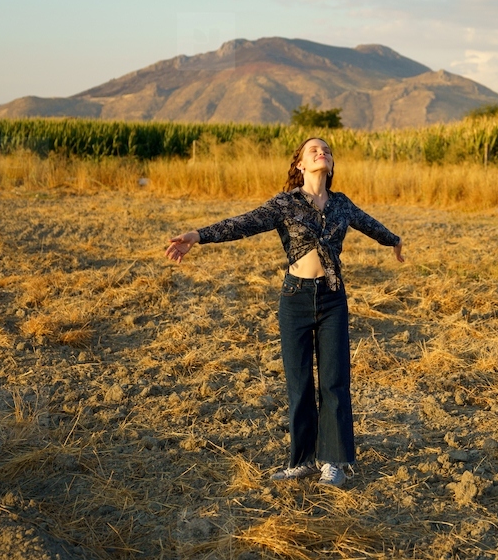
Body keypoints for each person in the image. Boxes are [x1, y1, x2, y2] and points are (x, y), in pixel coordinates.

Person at [165, 137, 405, 487]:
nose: (322, 152)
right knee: (300, 383)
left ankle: (333, 462)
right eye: (313, 150)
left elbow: (372, 226)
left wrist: (394, 240)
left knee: (335, 382)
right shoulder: (285, 204)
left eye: (327, 150)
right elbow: (241, 224)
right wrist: (197, 236)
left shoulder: (342, 205)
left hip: (332, 298)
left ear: (332, 165)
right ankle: (303, 460)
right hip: (294, 298)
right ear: (300, 166)